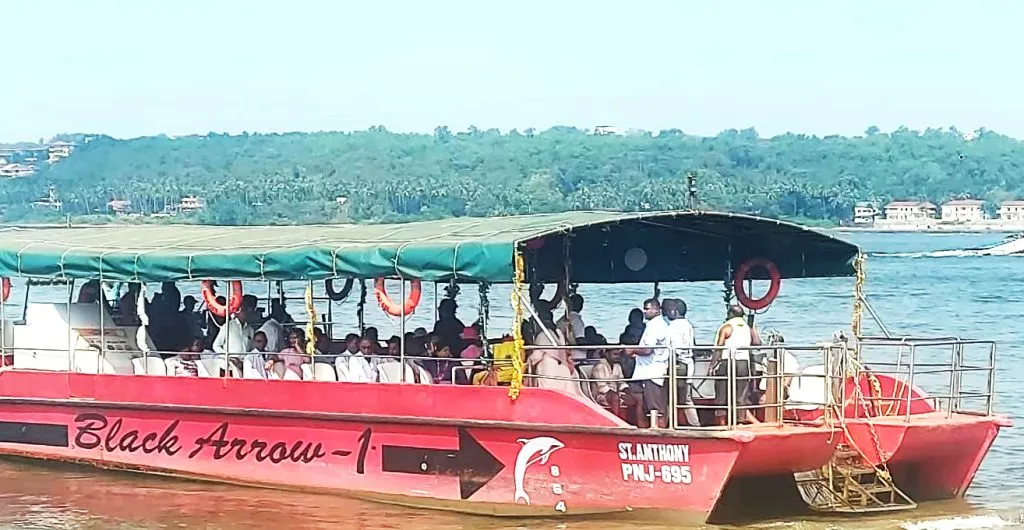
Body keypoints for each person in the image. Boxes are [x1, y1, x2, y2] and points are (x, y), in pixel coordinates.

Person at [710, 305, 762, 425]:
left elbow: (719, 347)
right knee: (741, 393)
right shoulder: (747, 327)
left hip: (727, 361)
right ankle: (740, 421)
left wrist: (712, 365)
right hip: (743, 362)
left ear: (730, 314)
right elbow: (757, 343)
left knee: (722, 391)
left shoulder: (727, 326)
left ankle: (722, 421)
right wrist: (753, 328)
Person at [631, 298, 671, 428]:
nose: (644, 311)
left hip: (652, 370)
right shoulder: (655, 324)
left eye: (647, 309)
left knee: (655, 406)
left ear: (657, 310)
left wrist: (632, 350)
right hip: (645, 370)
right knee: (642, 401)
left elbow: (647, 350)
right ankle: (646, 427)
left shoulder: (656, 326)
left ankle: (657, 430)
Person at [663, 298, 701, 427]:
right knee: (686, 398)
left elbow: (675, 349)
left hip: (678, 364)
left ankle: (669, 425)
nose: (667, 312)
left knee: (671, 397)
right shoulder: (687, 324)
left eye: (669, 309)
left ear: (675, 311)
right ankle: (694, 424)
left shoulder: (675, 326)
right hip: (687, 363)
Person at [591, 345, 631, 420]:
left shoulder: (617, 366)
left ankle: (629, 421)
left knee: (634, 397)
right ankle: (616, 420)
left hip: (615, 393)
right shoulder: (600, 366)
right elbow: (601, 387)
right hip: (601, 395)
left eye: (618, 355)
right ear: (606, 354)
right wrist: (615, 394)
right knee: (615, 398)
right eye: (615, 354)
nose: (617, 357)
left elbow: (621, 382)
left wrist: (626, 389)